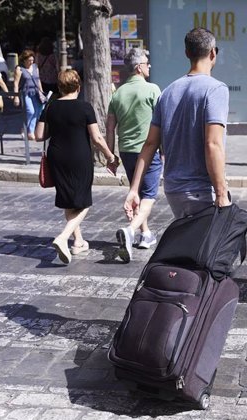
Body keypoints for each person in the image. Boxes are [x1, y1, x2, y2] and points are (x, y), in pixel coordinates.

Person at [122, 27, 230, 260]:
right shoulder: (215, 89)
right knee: (207, 257)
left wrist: (133, 189)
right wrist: (222, 193)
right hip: (202, 190)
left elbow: (150, 144)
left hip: (174, 189)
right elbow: (213, 144)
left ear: (186, 53)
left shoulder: (168, 92)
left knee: (191, 252)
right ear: (213, 53)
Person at [35, 69, 119, 264]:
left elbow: (39, 135)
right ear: (78, 87)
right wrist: (110, 155)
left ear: (60, 87)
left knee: (68, 199)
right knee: (83, 201)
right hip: (78, 157)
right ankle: (63, 237)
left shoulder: (51, 107)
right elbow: (97, 138)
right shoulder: (85, 107)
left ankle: (78, 242)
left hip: (57, 157)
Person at [106, 48, 162, 262]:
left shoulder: (118, 93)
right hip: (147, 149)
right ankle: (130, 231)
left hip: (126, 150)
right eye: (147, 63)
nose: (149, 66)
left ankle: (145, 235)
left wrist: (111, 157)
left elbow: (110, 128)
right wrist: (164, 150)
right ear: (139, 67)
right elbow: (162, 123)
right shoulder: (152, 90)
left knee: (135, 192)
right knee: (148, 196)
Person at [13, 49, 46, 141]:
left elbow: (38, 80)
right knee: (30, 111)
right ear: (24, 60)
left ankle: (30, 131)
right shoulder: (19, 69)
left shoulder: (35, 67)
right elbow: (16, 83)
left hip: (36, 92)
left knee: (37, 111)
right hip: (26, 93)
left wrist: (41, 92)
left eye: (32, 60)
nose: (31, 62)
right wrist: (16, 97)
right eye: (29, 60)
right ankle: (25, 128)